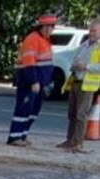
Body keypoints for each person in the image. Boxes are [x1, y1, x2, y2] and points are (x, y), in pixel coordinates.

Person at [6, 14, 57, 147]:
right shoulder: (33, 39)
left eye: (51, 27)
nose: (49, 30)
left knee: (33, 111)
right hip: (29, 82)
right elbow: (29, 62)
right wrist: (34, 81)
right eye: (47, 27)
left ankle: (22, 135)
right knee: (23, 109)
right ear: (41, 27)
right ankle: (14, 137)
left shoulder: (45, 40)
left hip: (39, 83)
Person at [58, 18, 100, 153]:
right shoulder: (85, 44)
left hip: (87, 84)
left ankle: (77, 143)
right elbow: (75, 59)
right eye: (90, 30)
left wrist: (86, 66)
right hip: (75, 80)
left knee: (81, 115)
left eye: (94, 31)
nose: (91, 33)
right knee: (72, 113)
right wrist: (74, 65)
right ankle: (69, 140)